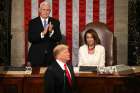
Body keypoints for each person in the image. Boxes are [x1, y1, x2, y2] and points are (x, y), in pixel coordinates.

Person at [28, 1, 62, 67]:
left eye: (48, 10)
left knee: (51, 76)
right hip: (36, 56)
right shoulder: (33, 22)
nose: (45, 12)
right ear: (39, 10)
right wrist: (42, 33)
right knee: (36, 77)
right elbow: (30, 38)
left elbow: (59, 38)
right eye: (43, 9)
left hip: (51, 56)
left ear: (50, 11)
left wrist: (51, 32)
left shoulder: (55, 22)